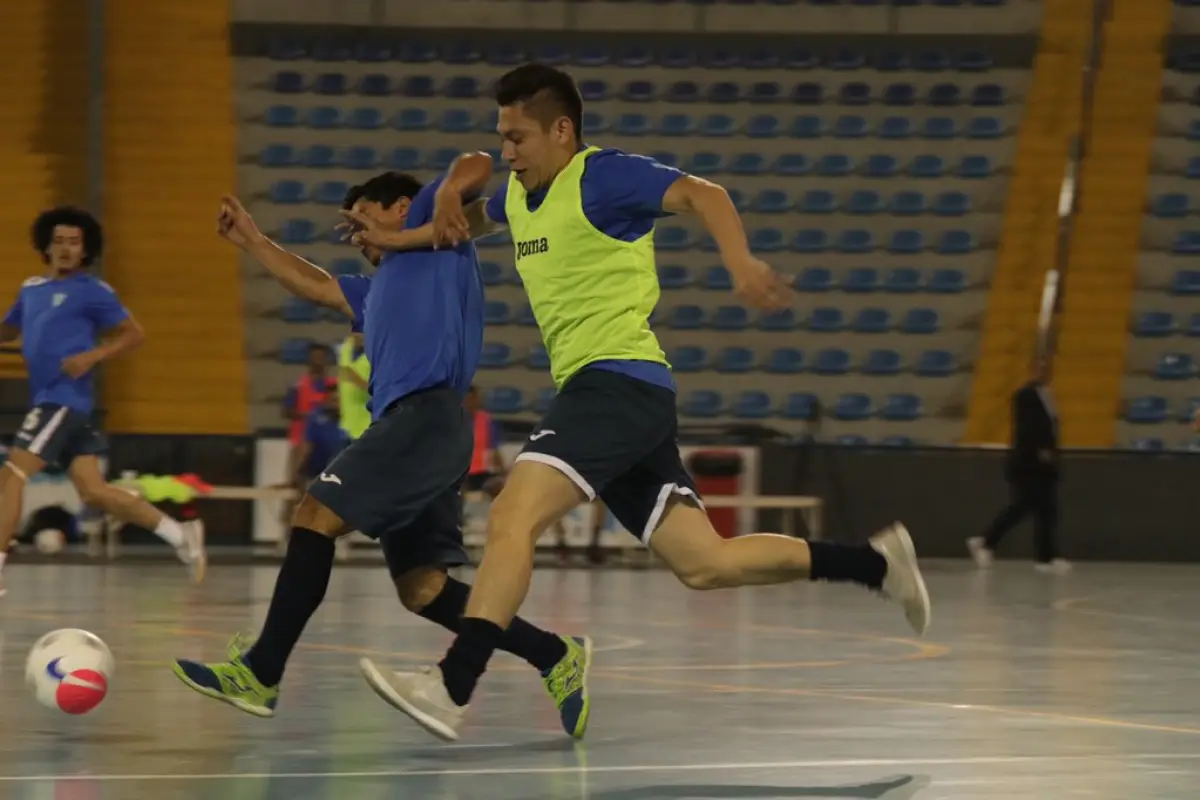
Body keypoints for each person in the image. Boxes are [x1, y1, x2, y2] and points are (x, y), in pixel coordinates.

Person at [354, 63, 931, 742]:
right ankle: (875, 564)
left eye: (518, 138)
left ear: (561, 131)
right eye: (502, 140)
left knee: (513, 512)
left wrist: (741, 263)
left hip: (616, 384)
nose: (507, 153)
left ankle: (454, 685)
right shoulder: (518, 198)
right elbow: (464, 224)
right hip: (617, 398)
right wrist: (394, 240)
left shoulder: (602, 177)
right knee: (704, 563)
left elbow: (703, 194)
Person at [171, 169, 593, 739]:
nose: (357, 236)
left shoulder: (436, 236)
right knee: (423, 590)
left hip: (425, 418)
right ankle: (554, 653)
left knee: (314, 515)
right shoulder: (375, 291)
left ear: (400, 208)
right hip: (414, 428)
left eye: (362, 219)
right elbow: (313, 282)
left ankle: (262, 671)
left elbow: (474, 165)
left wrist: (444, 194)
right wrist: (251, 238)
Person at [0, 207, 206, 597]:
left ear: (85, 249)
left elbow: (133, 335)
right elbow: (7, 330)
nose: (65, 249)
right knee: (93, 492)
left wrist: (91, 357)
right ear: (46, 244)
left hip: (63, 400)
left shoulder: (93, 290)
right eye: (58, 241)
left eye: (73, 242)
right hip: (58, 404)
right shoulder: (31, 289)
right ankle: (180, 535)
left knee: (12, 475)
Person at [968, 357, 1067, 574]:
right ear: (1030, 370)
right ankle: (986, 541)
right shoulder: (1025, 395)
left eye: (1046, 368)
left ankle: (1046, 558)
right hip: (1028, 463)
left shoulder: (1048, 396)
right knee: (1023, 507)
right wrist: (1040, 449)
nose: (1043, 372)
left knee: (1046, 510)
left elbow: (1051, 427)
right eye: (1039, 368)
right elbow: (1027, 427)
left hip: (1045, 464)